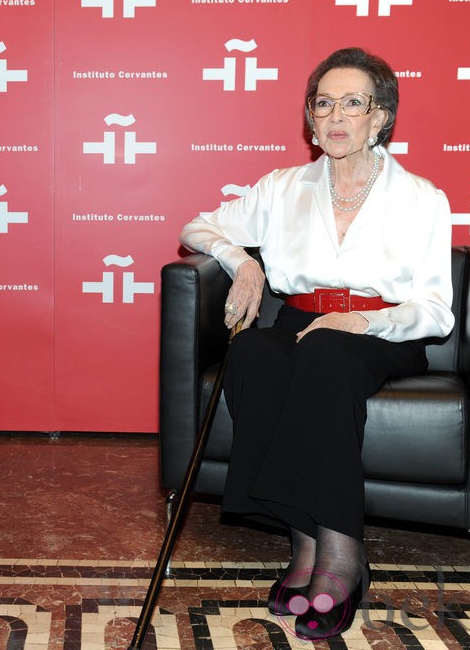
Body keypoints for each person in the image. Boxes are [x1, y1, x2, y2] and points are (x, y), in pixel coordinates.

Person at [179, 47, 453, 640]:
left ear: (380, 118)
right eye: (323, 102)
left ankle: (341, 559)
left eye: (353, 103)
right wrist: (241, 263)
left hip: (378, 333)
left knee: (326, 355)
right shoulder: (282, 187)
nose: (335, 116)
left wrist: (365, 324)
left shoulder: (421, 199)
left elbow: (435, 311)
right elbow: (197, 226)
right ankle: (305, 548)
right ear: (309, 115)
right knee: (252, 352)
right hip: (297, 322)